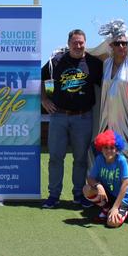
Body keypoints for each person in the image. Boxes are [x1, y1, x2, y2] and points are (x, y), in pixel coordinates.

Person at [40, 29, 103, 209]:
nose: (78, 46)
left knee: (81, 158)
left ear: (85, 43)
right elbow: (42, 79)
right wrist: (44, 99)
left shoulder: (93, 63)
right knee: (55, 157)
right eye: (74, 42)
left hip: (83, 117)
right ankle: (53, 195)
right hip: (59, 116)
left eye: (81, 42)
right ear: (68, 44)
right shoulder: (56, 62)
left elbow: (107, 82)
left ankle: (79, 194)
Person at [89, 19, 128, 215]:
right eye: (117, 43)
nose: (121, 46)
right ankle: (109, 201)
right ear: (110, 46)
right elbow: (89, 54)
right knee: (107, 156)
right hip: (107, 118)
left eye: (124, 43)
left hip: (126, 118)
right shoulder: (106, 63)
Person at [83, 129, 128, 228]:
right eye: (105, 147)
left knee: (112, 223)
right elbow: (90, 178)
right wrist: (99, 186)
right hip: (108, 196)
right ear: (101, 148)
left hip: (122, 199)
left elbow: (126, 184)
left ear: (117, 149)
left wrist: (115, 207)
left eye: (112, 148)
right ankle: (106, 209)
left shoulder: (121, 160)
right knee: (87, 189)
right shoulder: (99, 159)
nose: (109, 151)